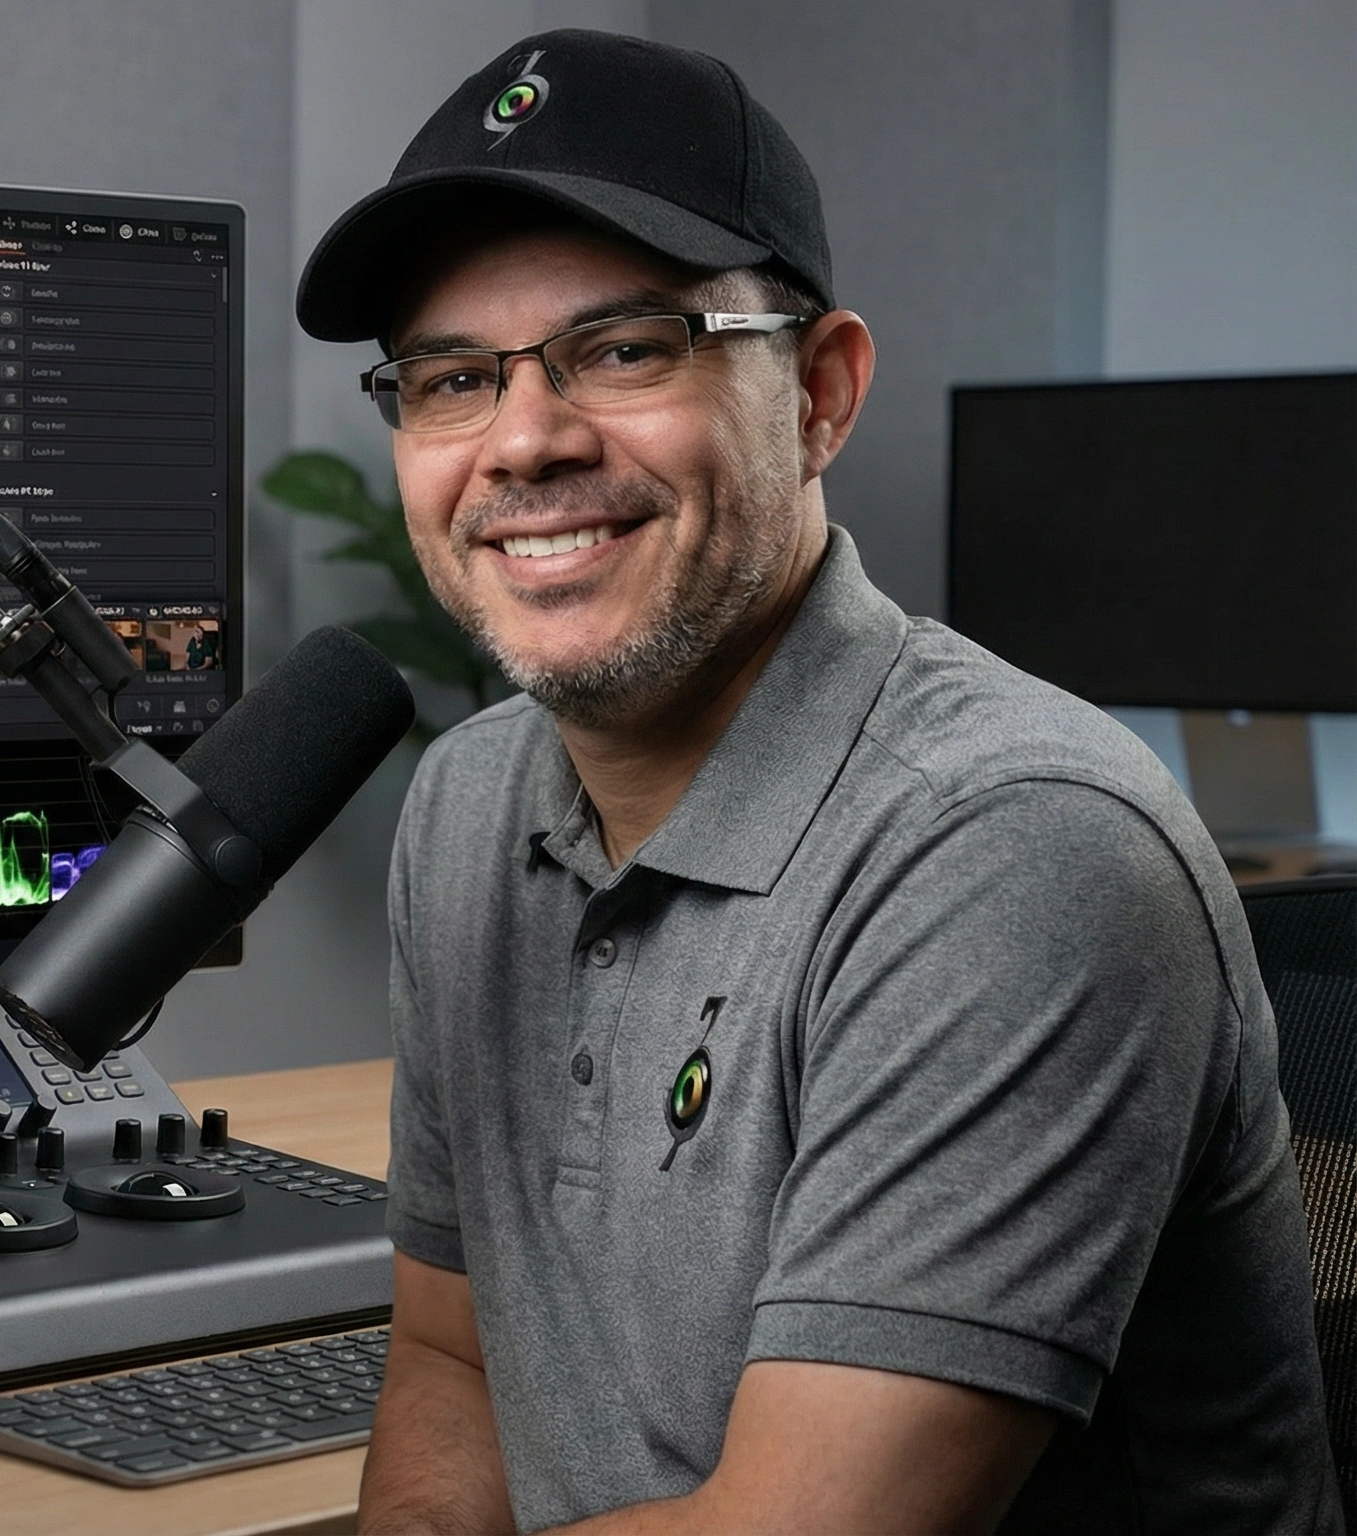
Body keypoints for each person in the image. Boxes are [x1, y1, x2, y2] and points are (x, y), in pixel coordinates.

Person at [295, 30, 1336, 1533]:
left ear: (824, 393)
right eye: (454, 379)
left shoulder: (1017, 845)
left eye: (630, 345)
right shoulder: (467, 808)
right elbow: (452, 1360)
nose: (524, 441)